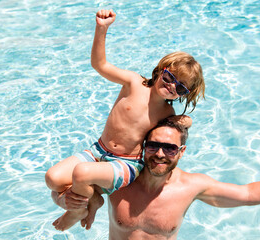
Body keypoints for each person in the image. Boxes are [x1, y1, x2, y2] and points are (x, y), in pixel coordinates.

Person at [44, 9, 205, 231]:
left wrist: (186, 121)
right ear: (160, 70)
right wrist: (102, 28)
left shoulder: (166, 114)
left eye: (180, 88)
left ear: (183, 95)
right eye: (169, 78)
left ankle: (79, 210)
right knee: (53, 179)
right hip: (97, 151)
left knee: (81, 173)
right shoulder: (133, 82)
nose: (171, 87)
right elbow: (100, 65)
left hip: (127, 163)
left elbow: (182, 125)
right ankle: (94, 199)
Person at [102, 118, 260, 239]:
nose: (160, 154)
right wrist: (78, 204)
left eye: (170, 148)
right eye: (153, 146)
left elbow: (248, 194)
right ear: (144, 147)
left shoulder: (191, 187)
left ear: (182, 152)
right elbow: (70, 191)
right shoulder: (118, 177)